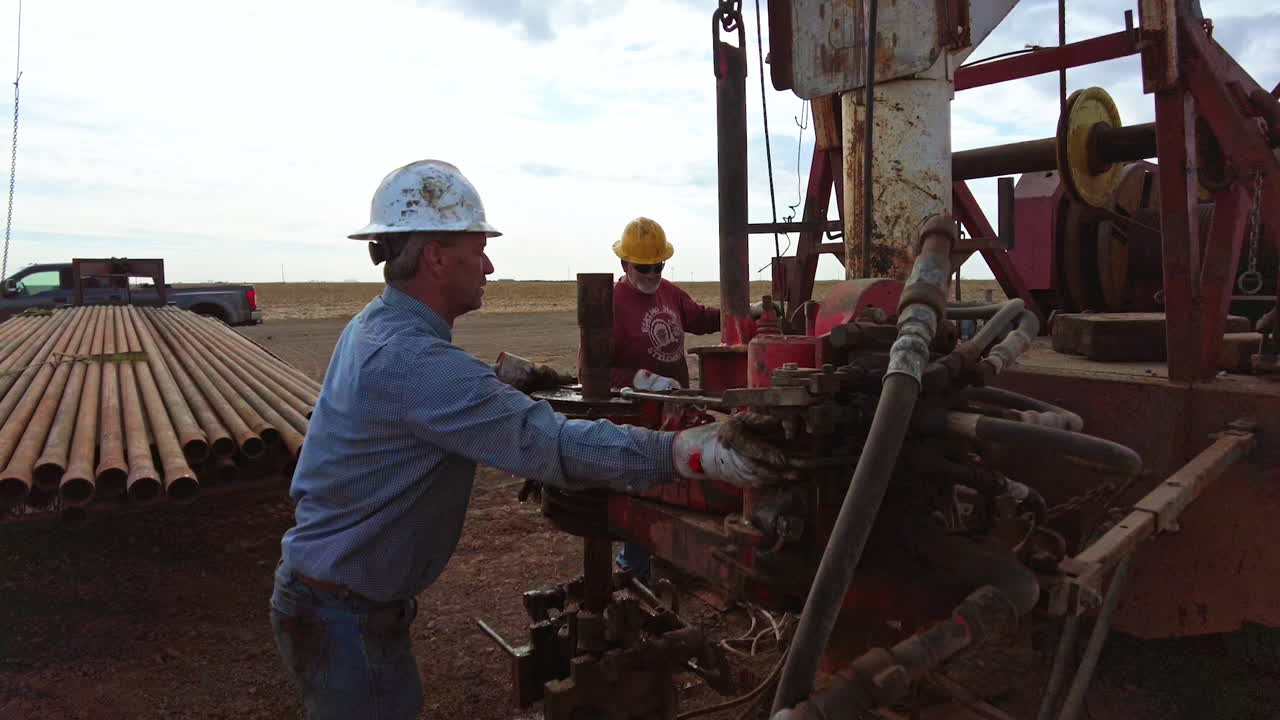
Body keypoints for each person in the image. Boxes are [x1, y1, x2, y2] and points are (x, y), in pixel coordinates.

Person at [270, 160, 789, 720]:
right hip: (343, 611)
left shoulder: (376, 328)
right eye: (478, 248)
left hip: (341, 597)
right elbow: (552, 446)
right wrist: (694, 451)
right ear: (436, 256)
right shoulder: (414, 360)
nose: (489, 264)